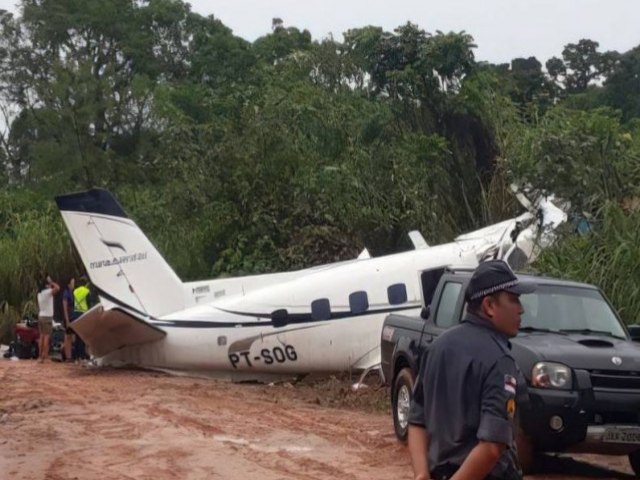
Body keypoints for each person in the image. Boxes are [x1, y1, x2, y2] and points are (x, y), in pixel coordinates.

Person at [408, 260, 534, 480]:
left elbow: (417, 420)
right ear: (489, 306)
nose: (521, 309)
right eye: (513, 299)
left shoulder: (437, 348)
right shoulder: (499, 360)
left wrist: (421, 473)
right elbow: (492, 447)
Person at [36, 275, 60, 363]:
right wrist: (51, 282)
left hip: (41, 316)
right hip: (47, 317)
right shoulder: (47, 292)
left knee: (41, 336)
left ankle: (40, 356)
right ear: (46, 285)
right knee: (46, 337)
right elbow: (57, 288)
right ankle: (45, 356)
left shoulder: (39, 294)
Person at [72, 276, 91, 360]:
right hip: (84, 314)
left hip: (76, 313)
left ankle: (77, 356)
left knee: (77, 336)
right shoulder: (87, 291)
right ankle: (83, 355)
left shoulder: (75, 291)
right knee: (83, 336)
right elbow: (89, 303)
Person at [61, 276, 76, 362]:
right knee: (68, 337)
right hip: (68, 317)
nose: (73, 284)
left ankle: (69, 355)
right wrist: (67, 320)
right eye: (72, 282)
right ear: (69, 284)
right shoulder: (66, 293)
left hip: (72, 316)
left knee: (70, 337)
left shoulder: (71, 292)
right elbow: (65, 306)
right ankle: (68, 357)